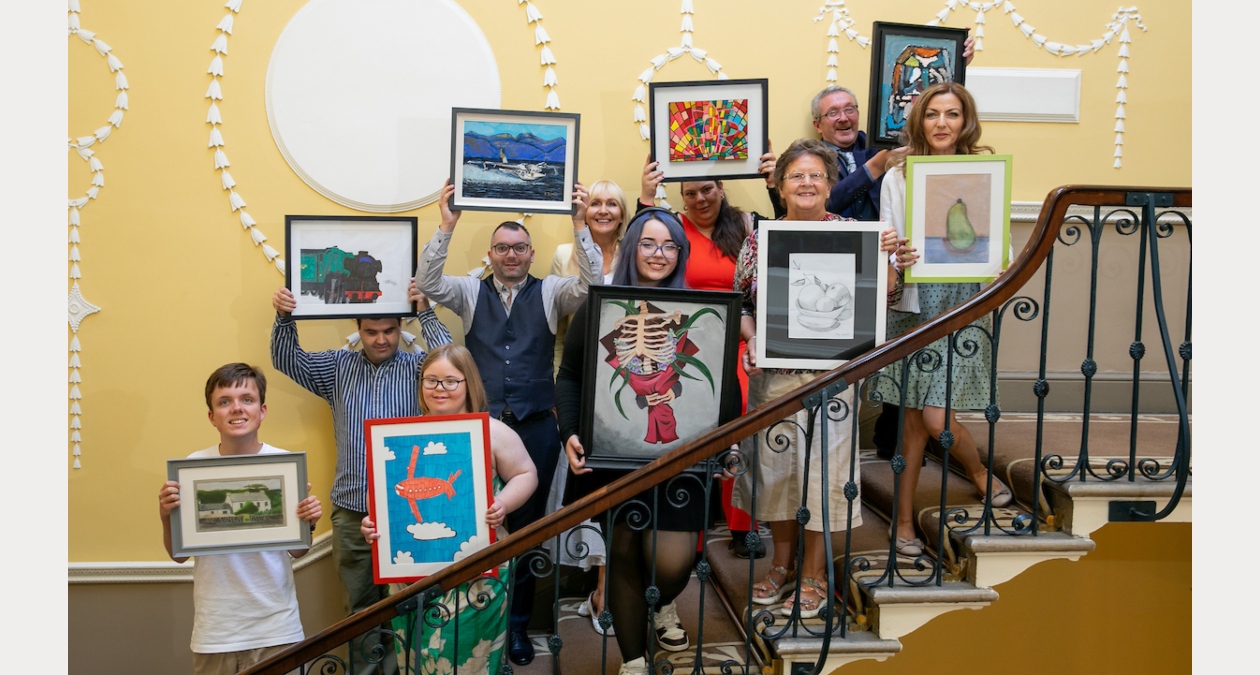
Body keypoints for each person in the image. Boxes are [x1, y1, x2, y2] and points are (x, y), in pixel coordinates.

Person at [415, 179, 600, 665]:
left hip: (537, 426)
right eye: (502, 248)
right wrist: (446, 226)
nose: (511, 255)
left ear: (531, 252)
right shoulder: (470, 292)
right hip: (479, 429)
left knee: (524, 529)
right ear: (492, 253)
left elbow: (593, 286)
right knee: (473, 522)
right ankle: (471, 623)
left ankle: (516, 627)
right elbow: (430, 283)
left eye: (519, 248)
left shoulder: (551, 291)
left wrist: (580, 226)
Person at [557, 207, 724, 675]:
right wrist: (570, 432)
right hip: (616, 459)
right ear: (633, 247)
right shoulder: (602, 306)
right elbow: (570, 376)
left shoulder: (692, 312)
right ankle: (633, 662)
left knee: (671, 565)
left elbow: (707, 385)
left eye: (670, 245)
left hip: (681, 459)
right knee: (626, 558)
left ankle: (662, 601)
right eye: (649, 243)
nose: (659, 254)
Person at [270, 285, 451, 675]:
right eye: (371, 331)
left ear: (400, 327)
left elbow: (454, 362)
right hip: (353, 514)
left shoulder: (421, 368)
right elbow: (286, 359)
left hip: (408, 516)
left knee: (415, 605)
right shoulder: (337, 368)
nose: (381, 339)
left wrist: (427, 312)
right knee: (361, 613)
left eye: (389, 330)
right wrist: (285, 317)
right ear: (358, 329)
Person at [875, 81, 1013, 558]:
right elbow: (888, 243)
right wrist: (894, 254)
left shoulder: (983, 172)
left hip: (960, 302)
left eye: (951, 114)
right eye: (932, 114)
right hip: (915, 305)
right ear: (920, 121)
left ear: (964, 122)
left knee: (933, 418)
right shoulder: (898, 175)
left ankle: (975, 471)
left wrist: (996, 260)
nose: (941, 123)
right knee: (914, 424)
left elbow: (1002, 249)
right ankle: (905, 521)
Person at [732, 139, 864, 620]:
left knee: (823, 478)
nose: (807, 183)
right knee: (777, 475)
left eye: (816, 175)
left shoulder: (857, 234)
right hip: (777, 376)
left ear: (830, 184)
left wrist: (894, 265)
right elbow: (742, 306)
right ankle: (782, 565)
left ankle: (814, 574)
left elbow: (881, 301)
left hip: (834, 378)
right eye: (796, 176)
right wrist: (750, 341)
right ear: (779, 185)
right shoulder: (758, 240)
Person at [360, 344, 538, 675]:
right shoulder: (399, 436)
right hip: (412, 573)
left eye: (450, 381)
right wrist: (373, 523)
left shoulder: (494, 431)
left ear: (469, 383)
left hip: (479, 571)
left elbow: (527, 474)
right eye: (431, 381)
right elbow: (382, 498)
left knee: (472, 657)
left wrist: (503, 504)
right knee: (418, 655)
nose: (439, 389)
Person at [637, 159, 773, 560]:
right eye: (691, 193)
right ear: (681, 197)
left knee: (743, 419)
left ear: (722, 188)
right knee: (690, 424)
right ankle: (688, 530)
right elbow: (641, 254)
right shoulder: (673, 228)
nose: (700, 199)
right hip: (685, 346)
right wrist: (646, 195)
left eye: (707, 190)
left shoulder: (746, 226)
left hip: (738, 341)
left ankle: (742, 522)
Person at [158, 363, 323, 675]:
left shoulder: (283, 466)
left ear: (262, 411)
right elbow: (179, 555)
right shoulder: (193, 468)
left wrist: (308, 521)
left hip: (277, 627)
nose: (236, 409)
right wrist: (166, 517)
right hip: (216, 631)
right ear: (212, 416)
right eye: (224, 402)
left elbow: (298, 550)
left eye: (246, 399)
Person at [548, 179, 630, 636]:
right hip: (582, 382)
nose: (602, 210)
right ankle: (599, 588)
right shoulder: (565, 254)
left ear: (622, 212)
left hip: (625, 384)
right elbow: (568, 326)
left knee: (621, 491)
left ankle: (608, 591)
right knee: (594, 492)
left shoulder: (639, 248)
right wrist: (565, 398)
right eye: (594, 203)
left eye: (611, 204)